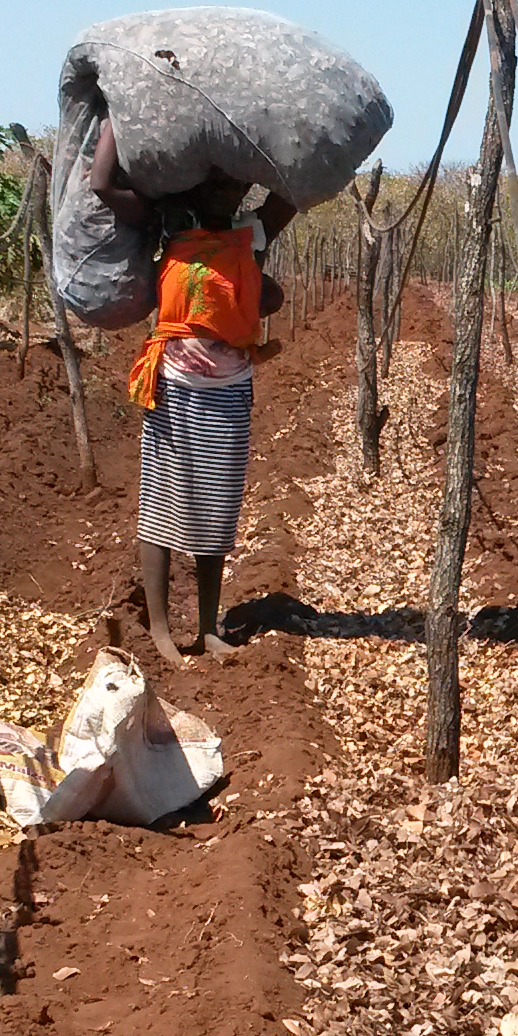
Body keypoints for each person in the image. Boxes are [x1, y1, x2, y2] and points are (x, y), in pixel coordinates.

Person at [85, 132, 294, 659]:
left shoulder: (253, 232)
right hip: (173, 386)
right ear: (196, 181)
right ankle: (160, 629)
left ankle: (207, 628)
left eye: (236, 180)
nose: (226, 189)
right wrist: (113, 118)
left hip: (230, 390)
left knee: (217, 510)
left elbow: (298, 184)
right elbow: (103, 185)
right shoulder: (171, 224)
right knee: (162, 502)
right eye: (216, 178)